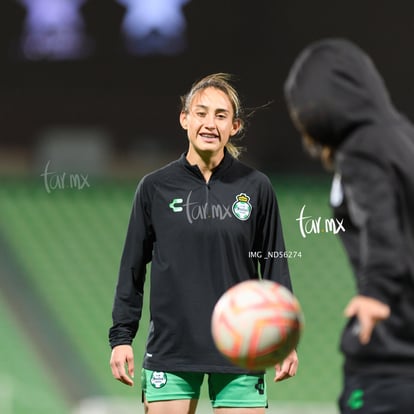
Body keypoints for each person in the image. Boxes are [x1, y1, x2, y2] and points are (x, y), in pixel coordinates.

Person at [109, 73, 298, 414]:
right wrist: (122, 338)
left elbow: (274, 264)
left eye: (221, 115)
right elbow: (132, 268)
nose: (210, 124)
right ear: (185, 119)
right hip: (172, 348)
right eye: (201, 113)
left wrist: (284, 339)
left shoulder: (257, 187)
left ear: (235, 126)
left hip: (242, 346)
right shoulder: (155, 187)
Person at [284, 38, 414, 414]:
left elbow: (380, 220)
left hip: (391, 359)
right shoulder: (402, 135)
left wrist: (375, 290)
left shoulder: (360, 148)